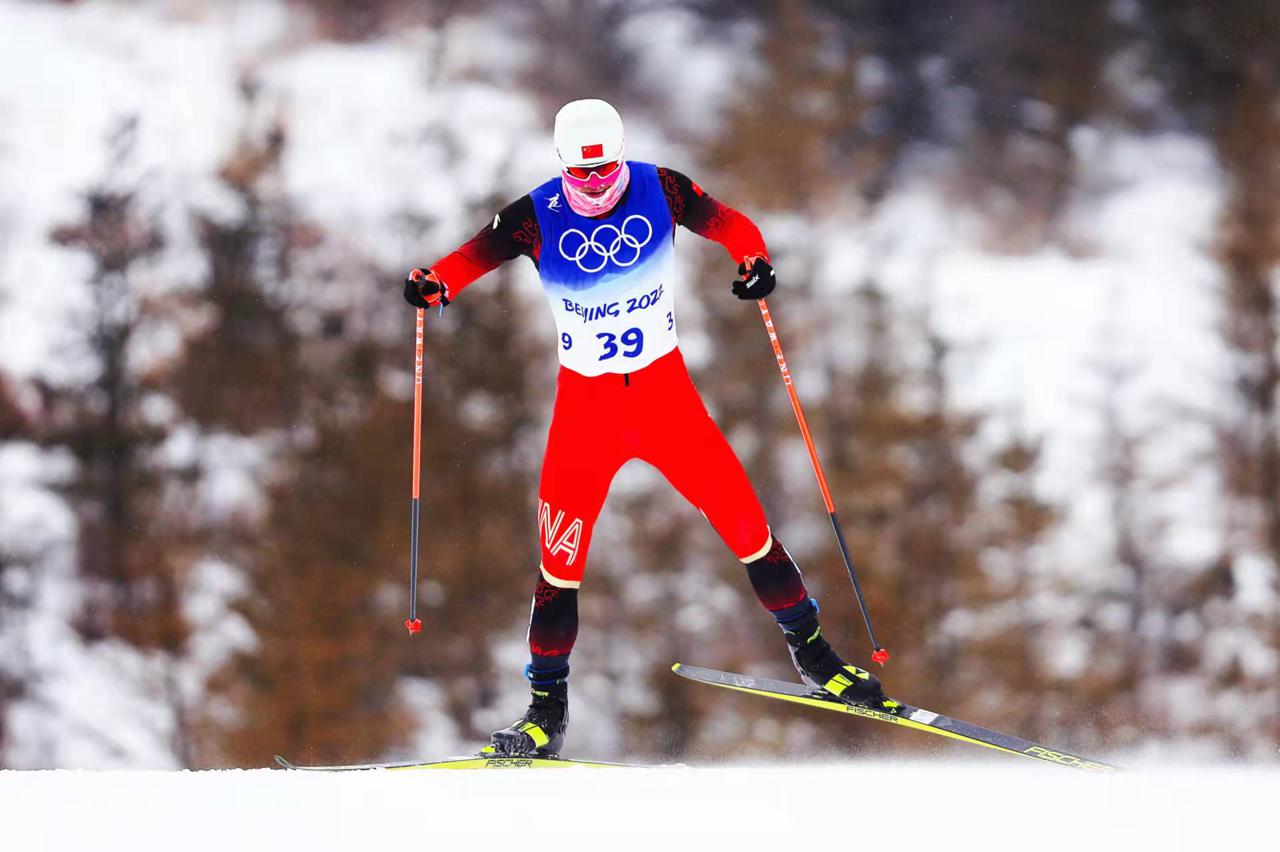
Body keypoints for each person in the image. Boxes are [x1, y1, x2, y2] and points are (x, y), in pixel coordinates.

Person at [405, 98, 894, 757]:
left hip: (667, 405)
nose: (597, 188)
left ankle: (817, 657)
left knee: (749, 527)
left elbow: (731, 223)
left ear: (621, 157)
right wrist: (436, 284)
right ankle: (545, 712)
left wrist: (754, 261)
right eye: (582, 178)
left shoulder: (661, 187)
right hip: (587, 416)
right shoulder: (532, 217)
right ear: (562, 169)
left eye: (606, 173)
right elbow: (469, 257)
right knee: (558, 565)